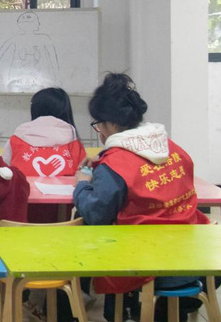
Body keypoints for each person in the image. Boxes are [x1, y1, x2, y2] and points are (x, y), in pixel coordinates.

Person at [73, 73, 211, 322]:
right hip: (195, 258)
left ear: (110, 124)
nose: (99, 131)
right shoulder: (172, 148)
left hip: (149, 265)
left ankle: (125, 313)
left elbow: (96, 214)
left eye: (98, 125)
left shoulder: (115, 164)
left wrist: (82, 185)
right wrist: (104, 161)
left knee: (94, 236)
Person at [3, 87, 86, 177]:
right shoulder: (74, 142)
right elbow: (85, 175)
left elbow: (4, 171)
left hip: (24, 186)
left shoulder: (16, 139)